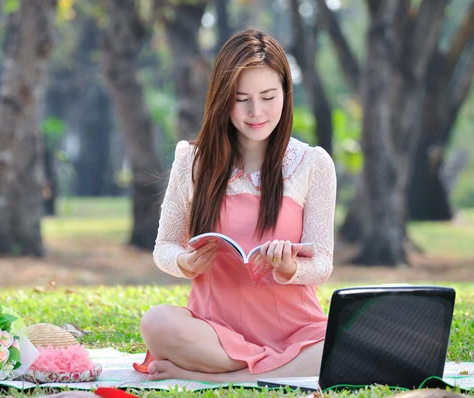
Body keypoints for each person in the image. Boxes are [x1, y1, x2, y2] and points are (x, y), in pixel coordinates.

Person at [133, 28, 337, 383]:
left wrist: (291, 271)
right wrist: (185, 262)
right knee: (156, 322)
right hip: (214, 332)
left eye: (268, 97)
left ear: (286, 95)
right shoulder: (192, 161)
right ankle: (269, 372)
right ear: (221, 98)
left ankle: (227, 378)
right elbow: (164, 247)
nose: (256, 112)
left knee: (349, 342)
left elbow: (322, 263)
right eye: (241, 99)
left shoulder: (313, 163)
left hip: (295, 332)